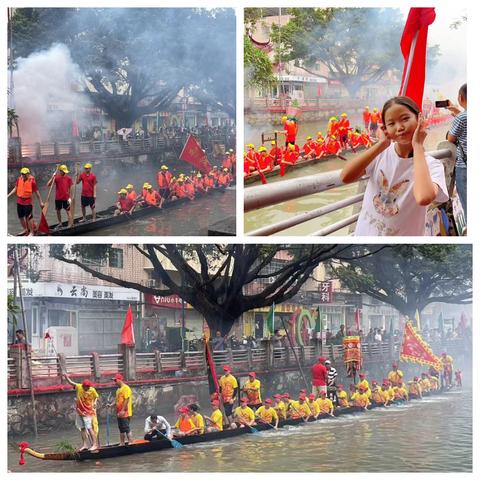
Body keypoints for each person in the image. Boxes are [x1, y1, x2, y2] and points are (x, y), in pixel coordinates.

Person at [341, 96, 448, 236]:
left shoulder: (433, 165)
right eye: (391, 123)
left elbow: (423, 197)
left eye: (405, 119)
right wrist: (381, 144)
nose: (400, 127)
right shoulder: (380, 153)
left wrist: (418, 146)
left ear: (419, 119)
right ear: (385, 128)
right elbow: (345, 177)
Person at [62, 374, 99, 451]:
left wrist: (95, 402)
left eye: (88, 387)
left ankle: (95, 444)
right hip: (80, 412)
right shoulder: (79, 387)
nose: (87, 388)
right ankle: (85, 445)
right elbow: (71, 383)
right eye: (86, 387)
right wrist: (66, 377)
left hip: (88, 412)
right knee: (82, 428)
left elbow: (96, 397)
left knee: (89, 428)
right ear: (83, 386)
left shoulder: (92, 390)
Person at [446, 83, 467, 221]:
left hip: (465, 168)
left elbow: (451, 138)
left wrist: (458, 115)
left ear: (460, 98)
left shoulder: (462, 118)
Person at [8, 167, 44, 235]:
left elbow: (37, 193)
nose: (23, 175)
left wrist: (41, 202)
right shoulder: (19, 179)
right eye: (22, 173)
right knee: (21, 217)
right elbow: (15, 189)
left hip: (27, 202)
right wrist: (8, 195)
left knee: (29, 217)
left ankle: (32, 232)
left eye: (24, 174)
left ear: (28, 174)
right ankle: (25, 229)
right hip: (19, 201)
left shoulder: (32, 182)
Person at [111, 373, 133, 445]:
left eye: (115, 380)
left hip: (125, 413)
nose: (114, 382)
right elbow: (116, 399)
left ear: (119, 380)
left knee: (126, 428)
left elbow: (127, 399)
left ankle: (130, 442)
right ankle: (122, 442)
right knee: (121, 429)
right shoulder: (118, 389)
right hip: (119, 413)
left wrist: (123, 410)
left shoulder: (126, 388)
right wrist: (111, 405)